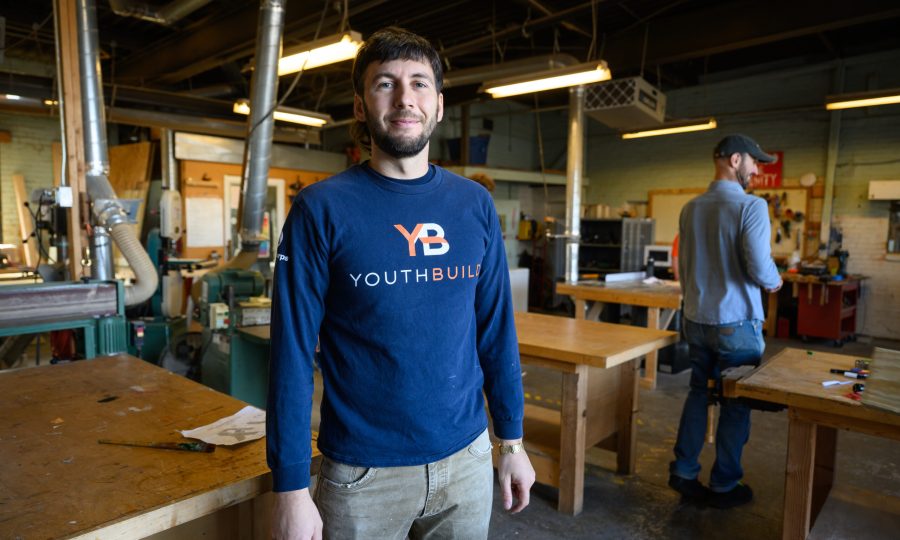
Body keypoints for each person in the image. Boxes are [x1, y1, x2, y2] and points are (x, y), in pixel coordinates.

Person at [268, 27, 535, 539]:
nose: (404, 98)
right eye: (385, 83)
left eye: (419, 83)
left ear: (438, 105)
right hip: (364, 475)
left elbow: (496, 332)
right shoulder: (320, 209)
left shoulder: (473, 205)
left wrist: (512, 442)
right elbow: (292, 354)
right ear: (360, 105)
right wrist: (290, 487)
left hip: (468, 459)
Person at [668, 134, 783, 509]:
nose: (757, 169)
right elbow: (758, 264)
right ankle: (724, 484)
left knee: (699, 393)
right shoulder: (752, 207)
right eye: (754, 162)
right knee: (736, 403)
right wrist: (774, 280)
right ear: (735, 160)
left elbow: (683, 266)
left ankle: (684, 471)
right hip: (736, 323)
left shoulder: (690, 208)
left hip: (697, 319)